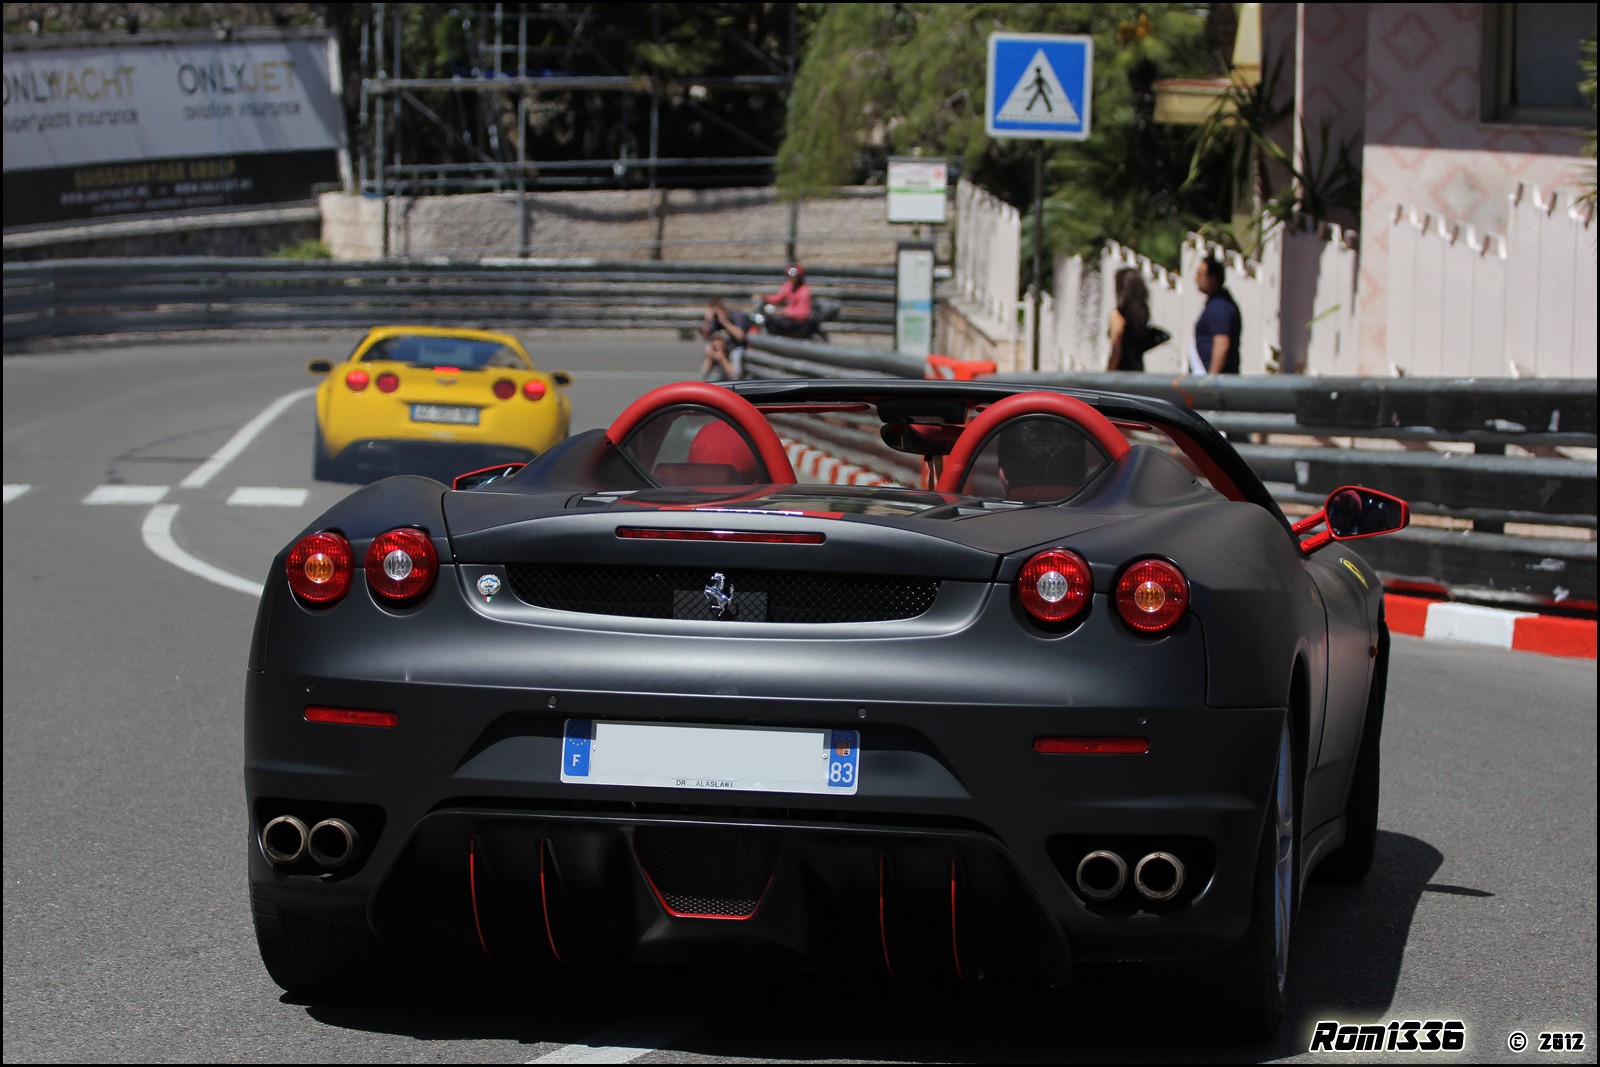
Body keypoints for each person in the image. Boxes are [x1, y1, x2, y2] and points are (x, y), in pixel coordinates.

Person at [1190, 256, 1242, 375]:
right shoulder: (1216, 304)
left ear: (1212, 278)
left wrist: (1212, 379)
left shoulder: (1219, 306)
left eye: (1200, 275)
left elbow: (1221, 342)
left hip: (1221, 380)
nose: (1196, 279)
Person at [1106, 268, 1154, 372]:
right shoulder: (1141, 315)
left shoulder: (1117, 315)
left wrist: (1108, 373)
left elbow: (1116, 350)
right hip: (1137, 371)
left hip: (1121, 372)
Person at [755, 264, 813, 337]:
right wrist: (764, 297)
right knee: (768, 321)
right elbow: (779, 297)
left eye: (794, 276)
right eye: (789, 275)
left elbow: (803, 313)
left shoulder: (804, 291)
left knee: (774, 324)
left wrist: (785, 312)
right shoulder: (789, 285)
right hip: (789, 319)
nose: (791, 278)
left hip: (798, 322)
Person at [699, 298, 748, 380]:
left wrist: (724, 321)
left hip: (737, 347)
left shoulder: (735, 316)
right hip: (723, 347)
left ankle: (734, 379)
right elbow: (705, 336)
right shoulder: (714, 320)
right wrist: (707, 321)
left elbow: (740, 336)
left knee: (735, 356)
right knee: (710, 350)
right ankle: (706, 380)